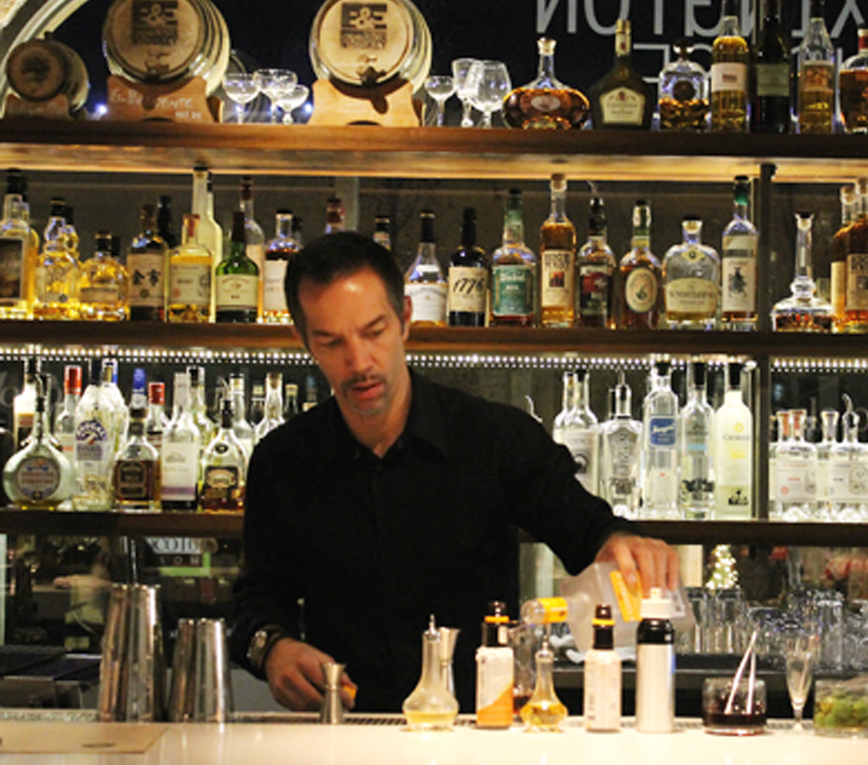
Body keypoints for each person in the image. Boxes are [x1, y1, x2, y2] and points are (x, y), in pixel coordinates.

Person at [231, 231, 678, 712]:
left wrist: (623, 541)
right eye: (331, 341)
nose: (359, 362)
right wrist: (272, 649)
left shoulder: (494, 438)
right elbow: (257, 602)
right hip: (348, 730)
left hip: (480, 732)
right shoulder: (284, 460)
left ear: (405, 318)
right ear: (302, 341)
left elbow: (586, 527)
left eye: (374, 331)